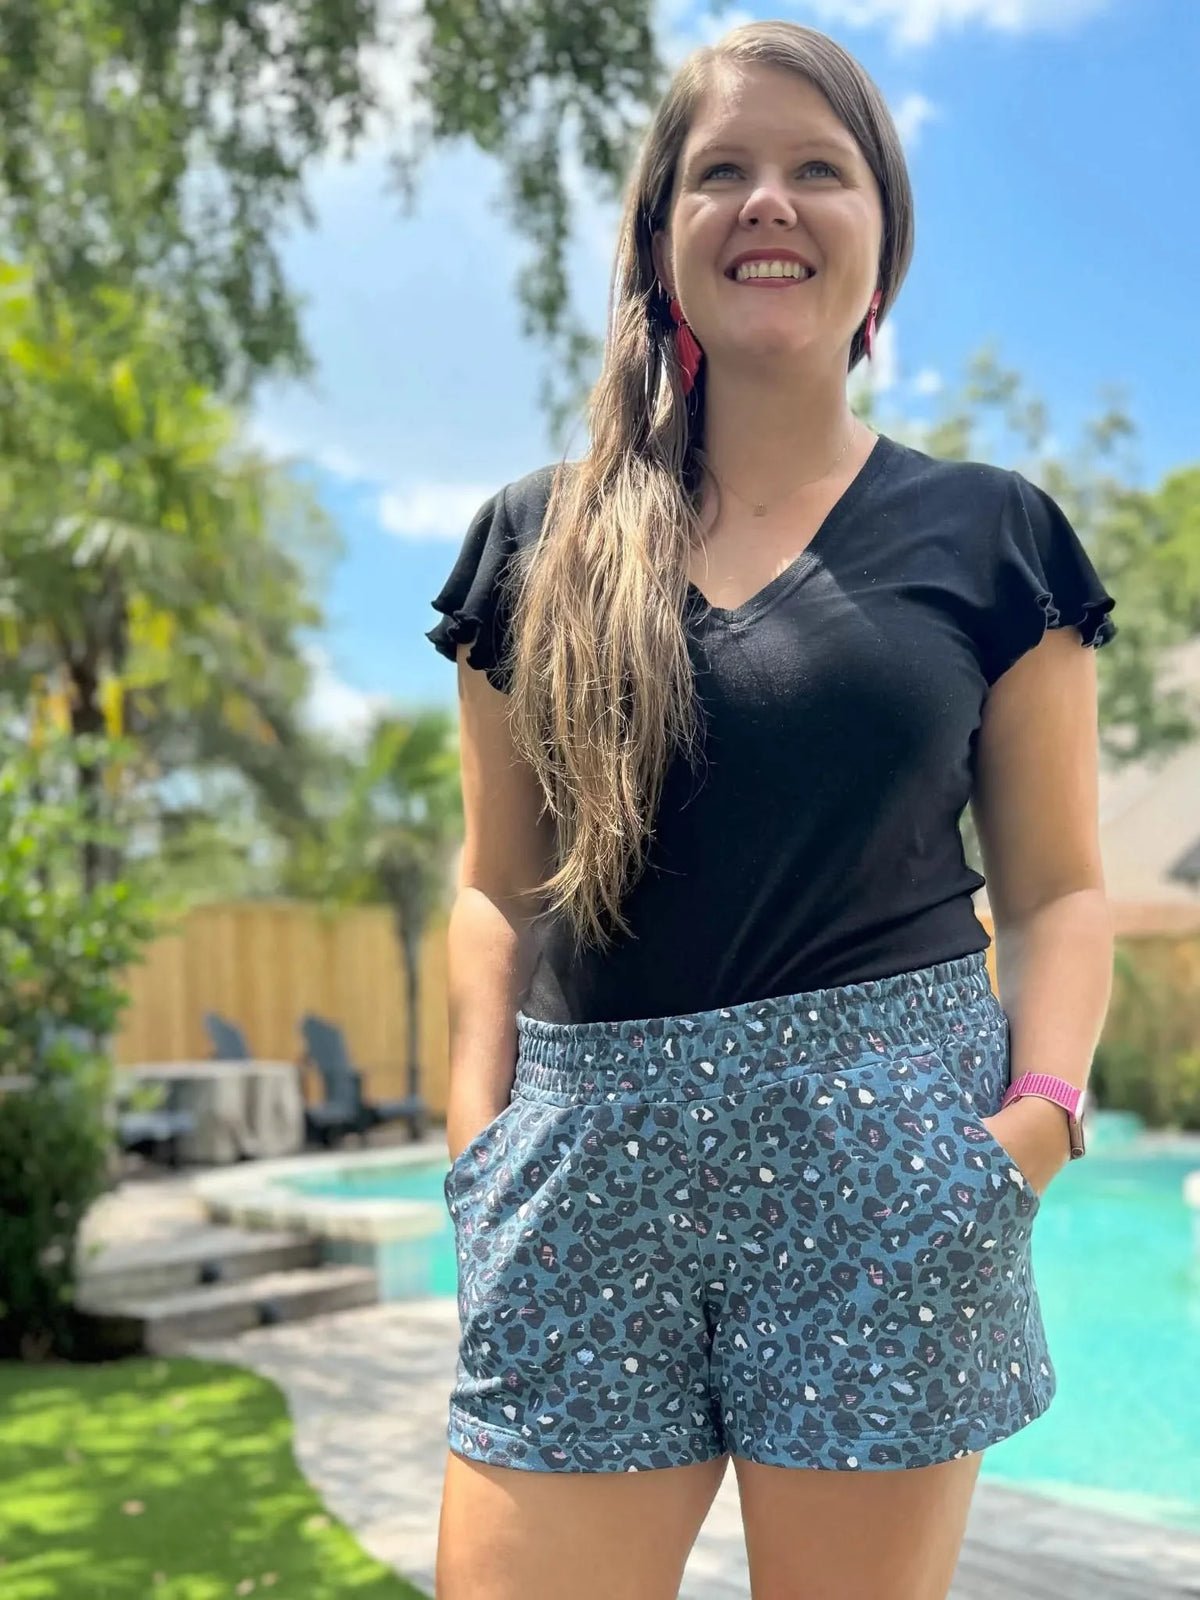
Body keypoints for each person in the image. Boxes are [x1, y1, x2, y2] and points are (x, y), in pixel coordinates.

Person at [425, 19, 1117, 1600]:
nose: (770, 204)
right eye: (721, 172)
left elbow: (1066, 891)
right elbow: (496, 887)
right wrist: (480, 1137)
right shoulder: (530, 545)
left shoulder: (994, 540)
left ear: (884, 240)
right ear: (661, 239)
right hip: (583, 1168)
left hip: (891, 1163)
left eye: (821, 169)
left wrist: (1036, 1130)